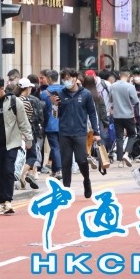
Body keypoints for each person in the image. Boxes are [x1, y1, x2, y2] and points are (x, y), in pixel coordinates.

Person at [0, 77, 32, 215]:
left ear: (2, 88)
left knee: (9, 170)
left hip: (11, 143)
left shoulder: (14, 101)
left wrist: (28, 139)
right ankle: (2, 202)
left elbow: (23, 121)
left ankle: (8, 200)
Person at [49, 69, 100, 199]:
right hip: (64, 132)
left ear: (76, 78)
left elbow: (92, 113)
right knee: (66, 162)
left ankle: (86, 180)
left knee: (81, 159)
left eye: (69, 78)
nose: (67, 81)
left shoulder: (86, 94)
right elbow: (55, 115)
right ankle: (66, 189)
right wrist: (54, 105)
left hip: (80, 132)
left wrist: (96, 131)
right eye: (64, 79)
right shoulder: (60, 94)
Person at [110, 69, 140, 168]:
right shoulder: (130, 87)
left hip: (117, 115)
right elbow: (135, 101)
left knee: (119, 137)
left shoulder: (113, 86)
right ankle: (126, 154)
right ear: (128, 76)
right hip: (128, 115)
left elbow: (110, 99)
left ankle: (120, 161)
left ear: (119, 75)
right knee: (132, 135)